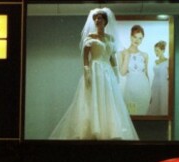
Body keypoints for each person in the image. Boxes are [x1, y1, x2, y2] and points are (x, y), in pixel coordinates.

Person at [49, 7, 138, 140]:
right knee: (93, 97)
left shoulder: (110, 38)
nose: (97, 20)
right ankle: (93, 129)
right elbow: (85, 58)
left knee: (108, 99)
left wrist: (116, 73)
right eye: (95, 18)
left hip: (107, 72)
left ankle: (110, 130)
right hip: (95, 69)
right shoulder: (90, 37)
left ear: (105, 21)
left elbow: (112, 57)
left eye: (100, 18)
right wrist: (87, 72)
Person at [120, 25, 151, 115]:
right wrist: (127, 56)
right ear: (130, 36)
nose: (137, 40)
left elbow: (146, 74)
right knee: (131, 116)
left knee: (142, 115)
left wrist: (150, 93)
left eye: (140, 38)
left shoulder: (145, 55)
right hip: (130, 90)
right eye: (135, 37)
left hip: (144, 91)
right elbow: (122, 73)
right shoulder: (123, 53)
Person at [147, 40, 169, 116]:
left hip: (164, 85)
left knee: (163, 102)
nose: (156, 53)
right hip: (155, 84)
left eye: (157, 51)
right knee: (154, 102)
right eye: (155, 51)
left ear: (163, 50)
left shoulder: (168, 62)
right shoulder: (155, 61)